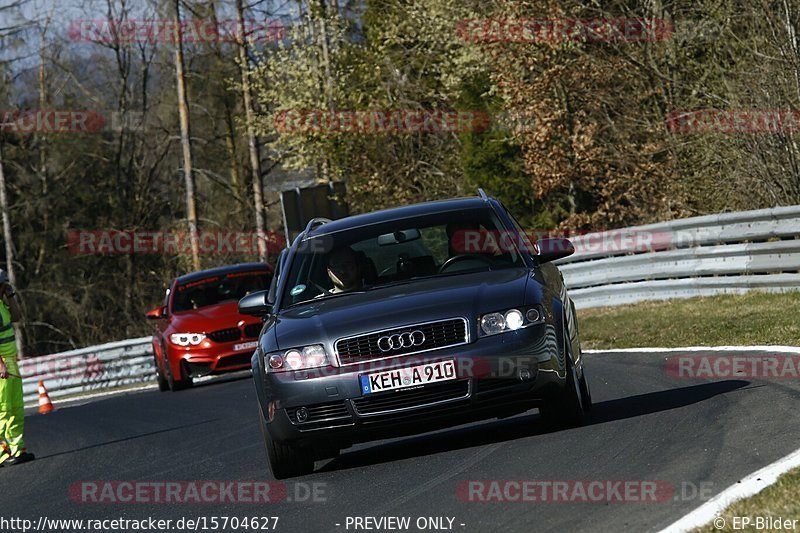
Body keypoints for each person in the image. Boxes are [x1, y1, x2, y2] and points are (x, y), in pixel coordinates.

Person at [0, 268, 33, 467]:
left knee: (15, 407)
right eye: (3, 284)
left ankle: (16, 449)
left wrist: (11, 296)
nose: (5, 285)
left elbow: (18, 317)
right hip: (2, 363)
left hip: (10, 360)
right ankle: (2, 452)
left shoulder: (2, 304)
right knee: (3, 409)